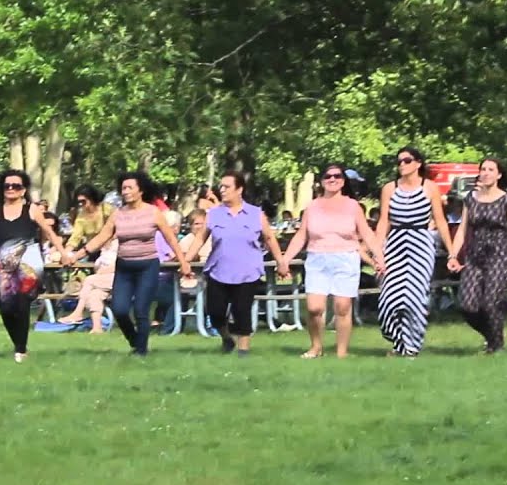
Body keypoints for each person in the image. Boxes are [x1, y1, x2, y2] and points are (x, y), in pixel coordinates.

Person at [72, 171, 191, 356]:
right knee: (119, 309)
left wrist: (184, 263)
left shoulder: (153, 212)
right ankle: (135, 340)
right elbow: (102, 237)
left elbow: (171, 239)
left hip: (147, 266)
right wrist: (77, 255)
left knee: (141, 309)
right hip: (124, 267)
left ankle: (141, 351)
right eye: (123, 188)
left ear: (140, 190)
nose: (125, 191)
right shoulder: (118, 214)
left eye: (129, 188)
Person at [279, 163, 383, 359]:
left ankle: (341, 352)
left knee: (342, 307)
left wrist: (379, 257)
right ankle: (316, 347)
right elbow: (302, 236)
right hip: (317, 259)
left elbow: (367, 234)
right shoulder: (313, 206)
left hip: (345, 258)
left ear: (343, 181)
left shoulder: (353, 206)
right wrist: (285, 259)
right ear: (322, 181)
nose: (332, 179)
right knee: (314, 308)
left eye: (337, 176)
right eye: (328, 176)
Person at [0, 170, 72, 363]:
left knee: (22, 301)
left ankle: (20, 349)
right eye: (7, 186)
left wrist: (64, 253)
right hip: (5, 263)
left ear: (23, 190)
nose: (11, 189)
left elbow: (49, 233)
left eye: (16, 186)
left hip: (29, 260)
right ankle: (18, 343)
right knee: (5, 306)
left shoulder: (32, 210)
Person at [182, 172, 288, 355]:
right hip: (218, 270)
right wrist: (186, 261)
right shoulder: (214, 215)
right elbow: (200, 239)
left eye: (227, 186)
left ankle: (243, 352)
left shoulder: (256, 214)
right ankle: (226, 339)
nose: (222, 190)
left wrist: (281, 262)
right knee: (215, 312)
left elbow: (270, 238)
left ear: (239, 189)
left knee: (242, 311)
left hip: (247, 271)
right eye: (221, 186)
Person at [446, 158, 507, 354]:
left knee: (490, 302)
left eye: (490, 170)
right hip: (474, 256)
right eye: (483, 169)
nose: (485, 173)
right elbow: (462, 229)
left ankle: (496, 346)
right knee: (467, 305)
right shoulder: (471, 198)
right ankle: (492, 337)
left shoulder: (506, 201)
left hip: (499, 256)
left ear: (499, 175)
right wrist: (453, 255)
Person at [375, 147, 453, 357]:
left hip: (420, 243)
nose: (402, 164)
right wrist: (377, 251)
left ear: (418, 163)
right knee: (389, 300)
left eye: (407, 160)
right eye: (399, 161)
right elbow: (384, 221)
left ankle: (410, 347)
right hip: (396, 244)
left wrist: (452, 252)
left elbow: (440, 221)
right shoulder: (389, 189)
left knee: (413, 298)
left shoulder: (430, 188)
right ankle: (398, 340)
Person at [56, 239, 119, 333]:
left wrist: (102, 271)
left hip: (118, 277)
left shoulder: (121, 243)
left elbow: (120, 263)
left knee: (89, 280)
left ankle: (78, 312)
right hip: (103, 279)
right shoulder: (104, 243)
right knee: (95, 295)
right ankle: (97, 328)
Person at [66, 186, 112, 256]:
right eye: (79, 202)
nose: (80, 204)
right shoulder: (81, 216)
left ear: (91, 198)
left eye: (83, 201)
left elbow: (118, 228)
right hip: (92, 250)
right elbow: (75, 237)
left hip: (110, 249)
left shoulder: (106, 209)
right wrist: (65, 252)